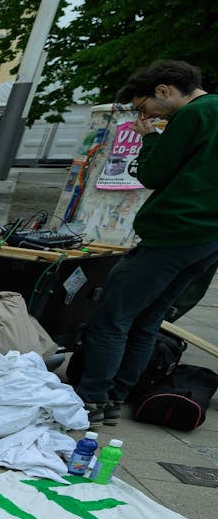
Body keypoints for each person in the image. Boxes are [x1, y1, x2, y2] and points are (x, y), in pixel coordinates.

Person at [77, 59, 218, 427]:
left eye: (145, 108)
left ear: (164, 90)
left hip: (175, 230)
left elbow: (154, 173)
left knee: (113, 316)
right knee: (149, 318)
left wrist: (149, 137)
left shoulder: (192, 115)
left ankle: (93, 397)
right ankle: (117, 395)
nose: (147, 115)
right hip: (207, 239)